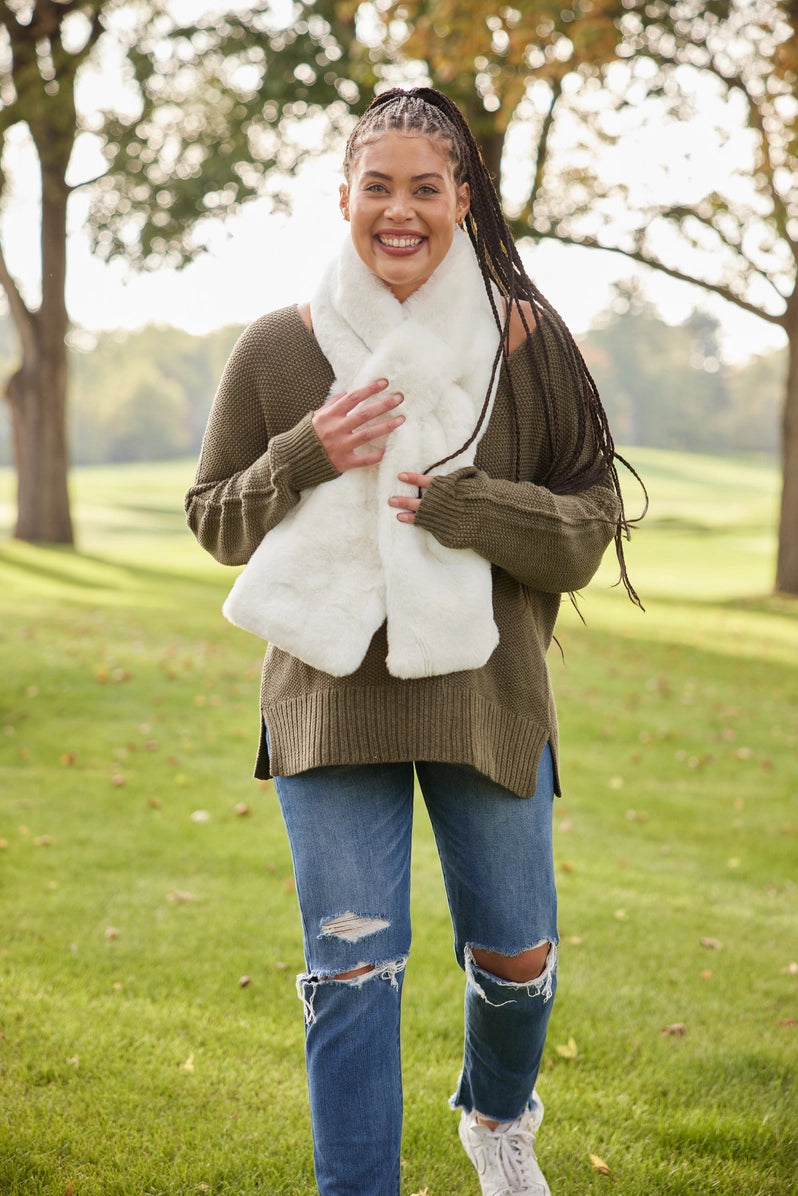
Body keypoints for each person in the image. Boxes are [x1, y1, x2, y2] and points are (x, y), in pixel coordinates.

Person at [185, 86, 641, 1196]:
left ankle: (495, 1116)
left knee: (516, 957)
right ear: (343, 198)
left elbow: (588, 530)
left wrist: (465, 506)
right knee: (351, 969)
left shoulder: (530, 345)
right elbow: (213, 518)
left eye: (424, 188)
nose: (400, 210)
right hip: (327, 700)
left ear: (462, 199)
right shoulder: (277, 349)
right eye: (376, 187)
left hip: (487, 694)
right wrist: (305, 451)